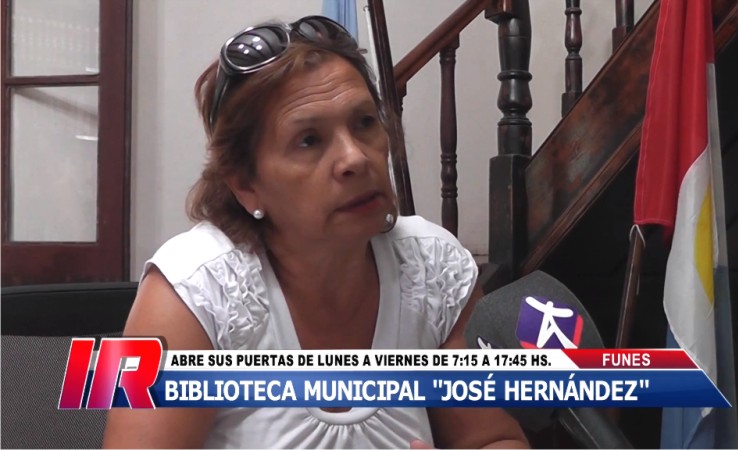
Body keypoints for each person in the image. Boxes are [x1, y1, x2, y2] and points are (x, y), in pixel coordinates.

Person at [103, 16, 529, 449]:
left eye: (365, 123)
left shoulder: (435, 267)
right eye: (309, 140)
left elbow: (493, 439)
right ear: (246, 184)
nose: (355, 158)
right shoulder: (190, 291)